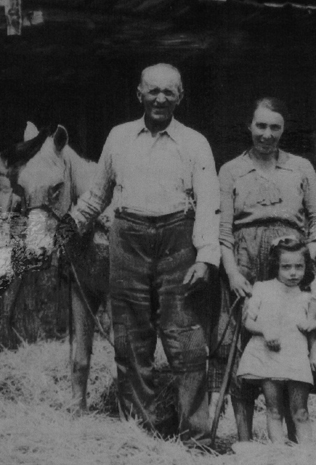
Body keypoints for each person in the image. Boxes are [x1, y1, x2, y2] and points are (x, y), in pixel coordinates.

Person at [59, 63, 220, 447]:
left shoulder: (196, 142)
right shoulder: (118, 137)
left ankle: (195, 436)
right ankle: (143, 432)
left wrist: (206, 256)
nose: (160, 98)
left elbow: (210, 201)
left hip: (178, 238)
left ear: (181, 96)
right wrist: (67, 226)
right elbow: (97, 195)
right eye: (153, 91)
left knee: (186, 340)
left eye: (169, 92)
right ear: (139, 94)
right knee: (131, 339)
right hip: (127, 235)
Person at [208, 97, 316, 442]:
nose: (267, 134)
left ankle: (295, 441)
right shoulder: (231, 170)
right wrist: (233, 273)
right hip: (245, 260)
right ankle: (245, 441)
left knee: (291, 342)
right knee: (243, 342)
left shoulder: (301, 168)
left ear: (284, 129)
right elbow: (223, 232)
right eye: (260, 126)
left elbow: (315, 224)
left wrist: (309, 269)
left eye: (275, 127)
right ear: (249, 127)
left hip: (292, 261)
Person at [237, 237, 315, 444]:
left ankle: (306, 455)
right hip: (268, 356)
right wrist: (265, 330)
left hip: (296, 357)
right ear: (275, 266)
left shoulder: (308, 295)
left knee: (301, 411)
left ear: (306, 267)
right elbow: (248, 322)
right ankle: (278, 454)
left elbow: (312, 330)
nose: (293, 273)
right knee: (273, 410)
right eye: (286, 267)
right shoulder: (263, 288)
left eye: (299, 267)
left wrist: (313, 336)